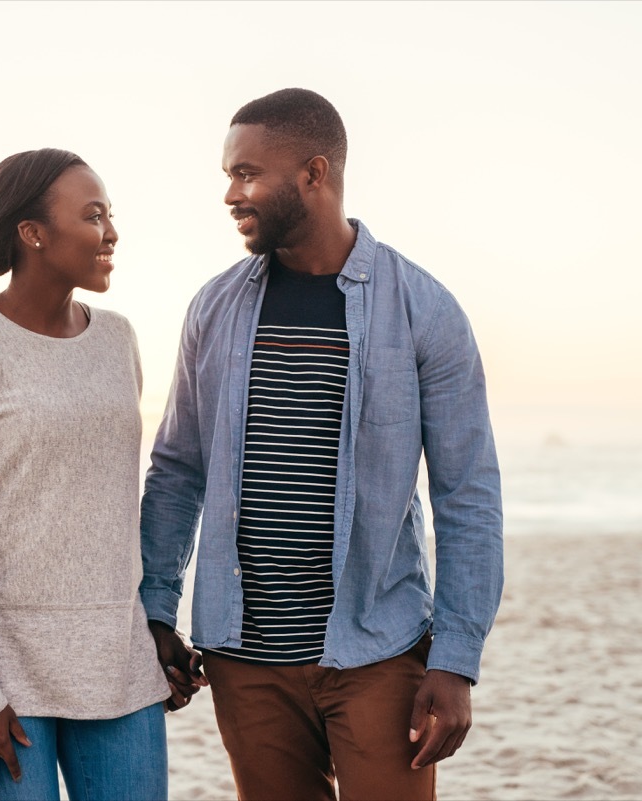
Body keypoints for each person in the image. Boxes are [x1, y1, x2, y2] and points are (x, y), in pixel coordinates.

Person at [141, 88, 504, 800]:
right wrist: (157, 607)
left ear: (314, 173)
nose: (230, 193)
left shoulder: (423, 309)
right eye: (226, 175)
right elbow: (178, 470)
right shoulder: (213, 309)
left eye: (246, 173)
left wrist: (456, 660)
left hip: (377, 650)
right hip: (244, 660)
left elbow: (469, 495)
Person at [0, 148, 171, 801]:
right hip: (0, 665)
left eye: (110, 215)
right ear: (33, 233)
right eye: (93, 215)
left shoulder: (118, 339)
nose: (111, 233)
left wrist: (155, 623)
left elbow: (121, 496)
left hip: (115, 658)